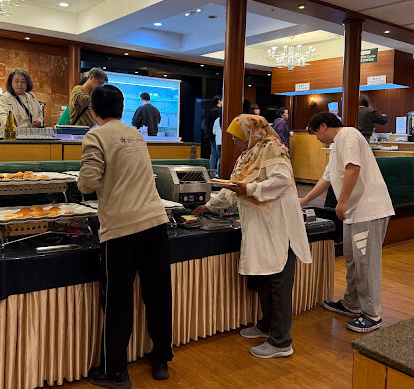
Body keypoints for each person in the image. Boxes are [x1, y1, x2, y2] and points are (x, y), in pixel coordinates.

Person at [77, 85, 173, 389]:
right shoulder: (136, 134)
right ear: (122, 108)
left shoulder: (95, 136)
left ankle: (115, 371)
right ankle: (161, 359)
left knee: (118, 300)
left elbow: (87, 183)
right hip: (155, 221)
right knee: (158, 294)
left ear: (94, 111)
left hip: (121, 229)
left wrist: (81, 181)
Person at [193, 115, 312, 358]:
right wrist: (208, 206)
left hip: (278, 225)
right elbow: (233, 187)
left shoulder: (273, 148)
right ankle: (266, 325)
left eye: (237, 137)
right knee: (264, 279)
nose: (234, 142)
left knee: (278, 283)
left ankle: (281, 342)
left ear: (251, 132)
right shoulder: (247, 155)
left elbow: (280, 182)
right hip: (260, 227)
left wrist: (250, 189)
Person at [300, 112, 394, 333]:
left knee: (366, 264)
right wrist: (303, 201)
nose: (317, 139)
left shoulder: (349, 135)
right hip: (354, 212)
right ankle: (352, 304)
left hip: (369, 211)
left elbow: (353, 167)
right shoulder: (336, 145)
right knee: (353, 261)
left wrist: (341, 202)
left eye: (316, 134)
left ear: (323, 126)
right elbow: (327, 178)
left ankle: (372, 314)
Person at [206, 95, 222, 172]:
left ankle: (211, 171)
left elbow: (208, 124)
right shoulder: (219, 111)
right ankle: (219, 172)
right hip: (218, 135)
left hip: (211, 135)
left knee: (213, 154)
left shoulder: (210, 111)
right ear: (219, 100)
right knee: (220, 156)